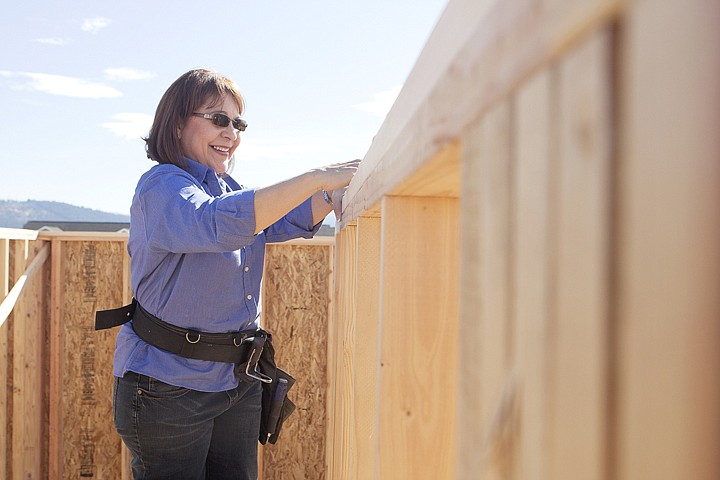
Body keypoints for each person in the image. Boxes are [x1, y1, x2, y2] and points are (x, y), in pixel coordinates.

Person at [111, 68, 359, 479]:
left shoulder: (226, 189)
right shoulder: (162, 186)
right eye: (218, 119)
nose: (232, 133)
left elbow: (277, 219)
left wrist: (329, 195)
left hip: (236, 381)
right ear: (176, 124)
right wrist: (317, 178)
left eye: (238, 123)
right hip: (167, 388)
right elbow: (215, 224)